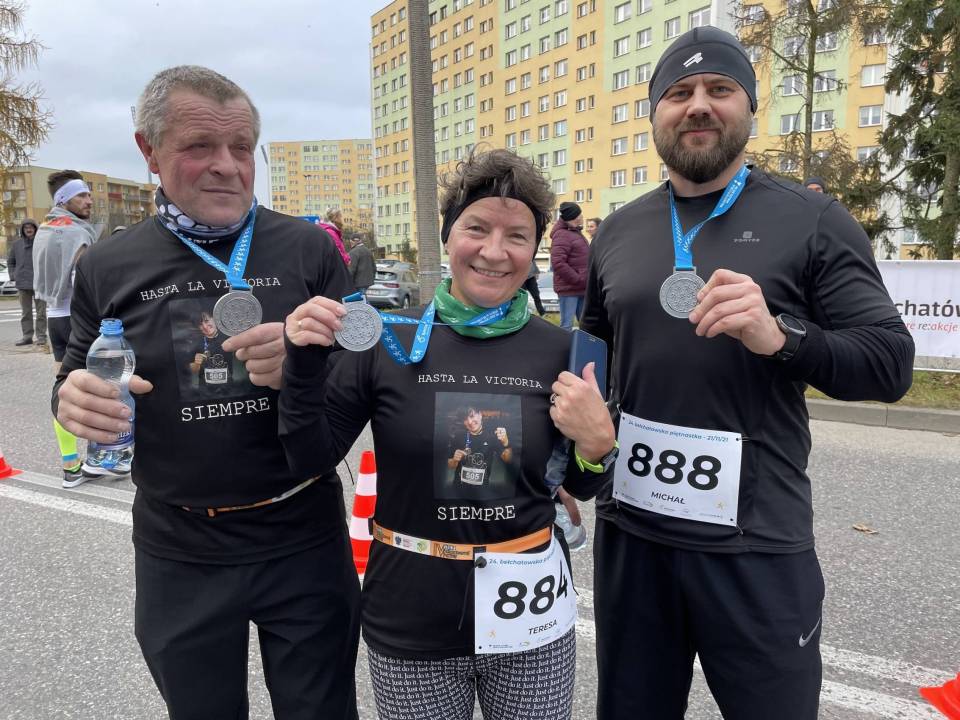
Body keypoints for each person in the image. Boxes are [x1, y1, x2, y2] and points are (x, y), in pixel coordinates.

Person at [581, 26, 914, 720]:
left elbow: (889, 364)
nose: (699, 104)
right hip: (634, 539)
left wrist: (780, 336)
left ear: (750, 108)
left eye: (720, 89)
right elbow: (591, 365)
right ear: (655, 113)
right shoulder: (617, 230)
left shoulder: (813, 220)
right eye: (679, 92)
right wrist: (567, 460)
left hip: (756, 546)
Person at [52, 65, 360, 720]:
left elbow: (360, 375)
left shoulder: (308, 248)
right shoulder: (107, 264)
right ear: (149, 150)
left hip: (301, 535)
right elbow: (75, 372)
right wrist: (70, 400)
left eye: (241, 147)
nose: (227, 165)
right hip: (180, 544)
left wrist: (304, 370)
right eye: (200, 146)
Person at [278, 148, 616, 720]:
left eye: (516, 236)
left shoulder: (565, 350)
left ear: (534, 248)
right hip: (411, 617)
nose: (494, 251)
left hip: (530, 619)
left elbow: (581, 487)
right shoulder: (385, 338)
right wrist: (303, 365)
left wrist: (597, 446)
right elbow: (310, 458)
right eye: (476, 228)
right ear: (447, 235)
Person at [32, 171, 99, 487]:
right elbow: (85, 281)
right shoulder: (75, 232)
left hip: (55, 318)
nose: (89, 201)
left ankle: (70, 464)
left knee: (64, 388)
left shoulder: (45, 228)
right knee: (100, 385)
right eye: (81, 195)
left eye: (89, 194)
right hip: (79, 318)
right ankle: (102, 458)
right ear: (64, 200)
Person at [8, 218, 47, 350]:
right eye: (26, 227)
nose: (29, 229)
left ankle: (41, 336)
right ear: (22, 230)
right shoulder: (16, 244)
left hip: (39, 282)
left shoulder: (41, 242)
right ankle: (27, 336)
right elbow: (11, 262)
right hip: (22, 283)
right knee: (26, 312)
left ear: (35, 229)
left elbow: (48, 260)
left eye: (31, 227)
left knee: (41, 312)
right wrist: (13, 275)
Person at [550, 201, 588, 330]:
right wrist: (578, 279)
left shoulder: (574, 232)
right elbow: (558, 263)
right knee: (566, 326)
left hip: (581, 287)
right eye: (580, 214)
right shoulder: (562, 234)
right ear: (574, 216)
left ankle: (583, 344)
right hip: (569, 289)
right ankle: (563, 345)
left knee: (586, 326)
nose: (582, 216)